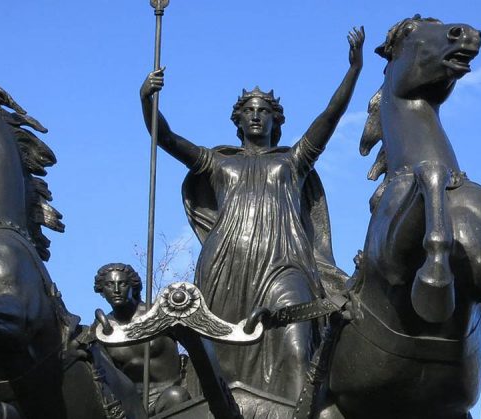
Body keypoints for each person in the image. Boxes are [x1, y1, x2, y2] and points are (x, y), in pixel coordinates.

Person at [139, 28, 364, 401]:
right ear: (238, 120)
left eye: (263, 112)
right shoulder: (216, 161)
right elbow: (165, 138)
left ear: (276, 120)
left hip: (284, 263)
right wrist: (147, 101)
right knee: (220, 362)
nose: (256, 117)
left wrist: (353, 70)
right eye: (249, 112)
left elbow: (329, 117)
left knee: (295, 347)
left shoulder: (293, 162)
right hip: (226, 267)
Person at [93, 263, 188, 413]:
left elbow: (197, 346)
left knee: (175, 396)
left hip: (172, 396)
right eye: (110, 285)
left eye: (122, 284)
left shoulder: (159, 314)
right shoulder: (101, 331)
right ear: (102, 291)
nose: (116, 290)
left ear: (134, 287)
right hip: (133, 409)